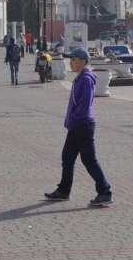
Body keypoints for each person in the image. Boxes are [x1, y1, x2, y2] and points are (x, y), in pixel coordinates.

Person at [44, 48, 113, 207]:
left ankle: (105, 191)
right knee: (67, 157)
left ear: (83, 61)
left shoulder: (86, 79)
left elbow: (84, 106)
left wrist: (74, 118)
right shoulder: (80, 78)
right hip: (76, 125)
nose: (70, 62)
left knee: (89, 159)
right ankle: (63, 191)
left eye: (73, 59)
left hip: (83, 125)